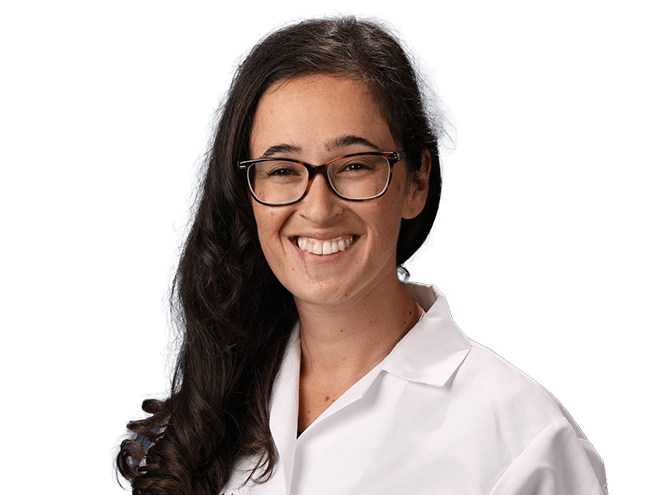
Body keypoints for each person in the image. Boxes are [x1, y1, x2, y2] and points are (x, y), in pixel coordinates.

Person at [115, 15, 607, 495]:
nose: (318, 209)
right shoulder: (202, 421)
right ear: (247, 194)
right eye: (282, 170)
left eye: (354, 165)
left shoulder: (526, 445)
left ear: (417, 182)